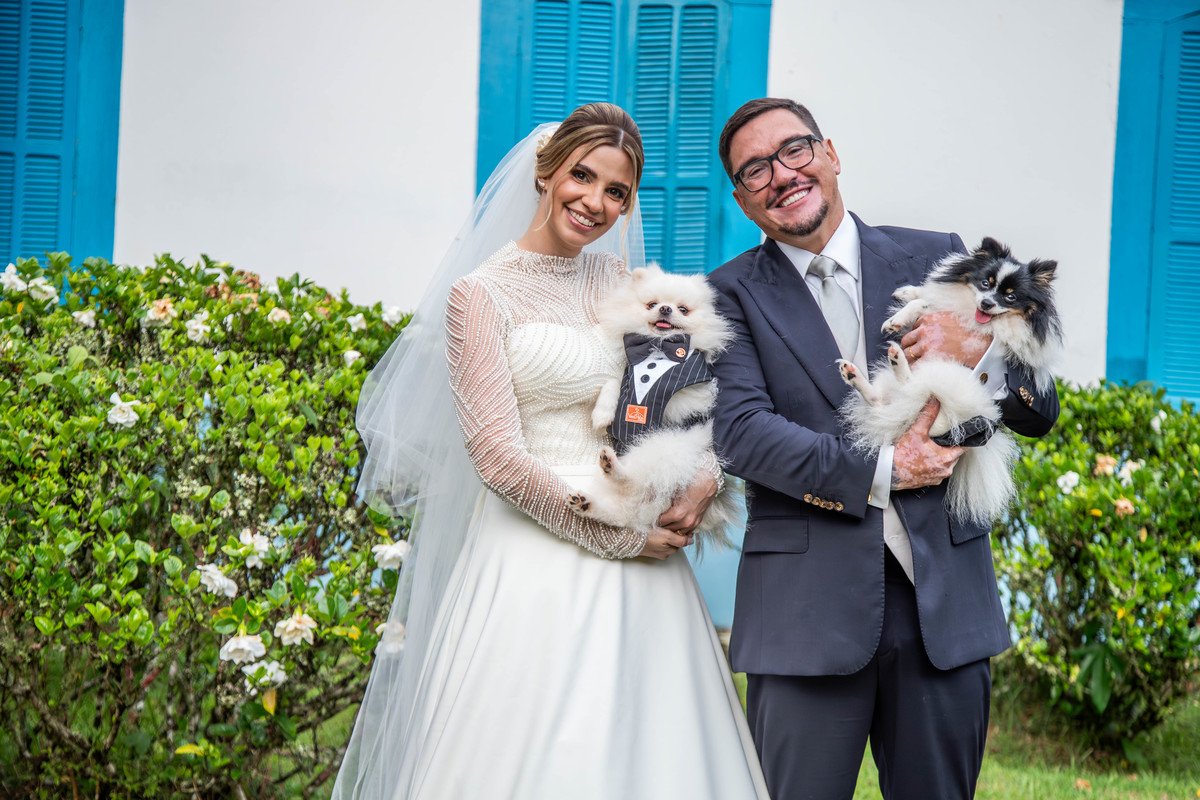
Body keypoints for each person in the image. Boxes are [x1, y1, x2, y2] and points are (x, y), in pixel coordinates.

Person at [333, 103, 769, 800]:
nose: (595, 202)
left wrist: (705, 476)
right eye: (582, 176)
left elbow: (687, 395)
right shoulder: (479, 296)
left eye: (616, 191)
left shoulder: (623, 283)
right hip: (532, 545)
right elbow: (496, 455)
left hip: (643, 539)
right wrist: (620, 540)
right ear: (546, 173)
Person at [706, 97, 1060, 800]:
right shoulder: (725, 294)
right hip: (803, 614)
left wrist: (976, 346)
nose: (782, 174)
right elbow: (742, 433)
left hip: (943, 610)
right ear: (743, 200)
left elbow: (1038, 411)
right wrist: (888, 470)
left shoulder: (940, 256)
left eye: (794, 150)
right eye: (755, 170)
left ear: (830, 154)